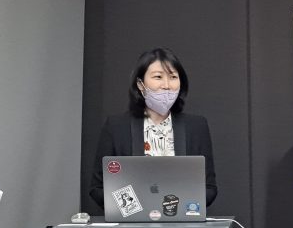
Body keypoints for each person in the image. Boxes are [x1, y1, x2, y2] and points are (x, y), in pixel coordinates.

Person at [89, 47, 217, 208]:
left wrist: (179, 207)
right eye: (158, 77)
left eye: (173, 77)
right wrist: (135, 208)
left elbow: (209, 188)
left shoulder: (196, 126)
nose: (166, 85)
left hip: (181, 219)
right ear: (140, 84)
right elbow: (98, 188)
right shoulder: (116, 126)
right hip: (131, 219)